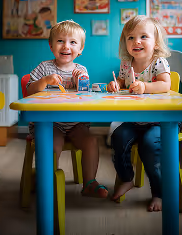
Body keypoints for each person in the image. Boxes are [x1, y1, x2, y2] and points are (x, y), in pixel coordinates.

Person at [27, 20, 108, 198]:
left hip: (75, 123)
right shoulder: (44, 67)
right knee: (52, 145)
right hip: (49, 122)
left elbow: (86, 97)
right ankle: (46, 181)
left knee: (91, 142)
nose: (66, 46)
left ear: (80, 49)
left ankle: (89, 182)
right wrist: (45, 81)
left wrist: (82, 82)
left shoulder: (81, 69)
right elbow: (29, 90)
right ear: (51, 46)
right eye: (60, 41)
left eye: (72, 42)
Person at [107, 15, 171, 211]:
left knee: (150, 146)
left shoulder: (158, 62)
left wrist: (145, 86)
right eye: (131, 37)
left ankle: (158, 193)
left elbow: (165, 85)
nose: (137, 41)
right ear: (125, 42)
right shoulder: (126, 64)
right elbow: (122, 81)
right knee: (117, 137)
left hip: (158, 121)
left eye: (144, 36)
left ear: (156, 42)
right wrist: (115, 84)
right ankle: (126, 178)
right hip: (135, 120)